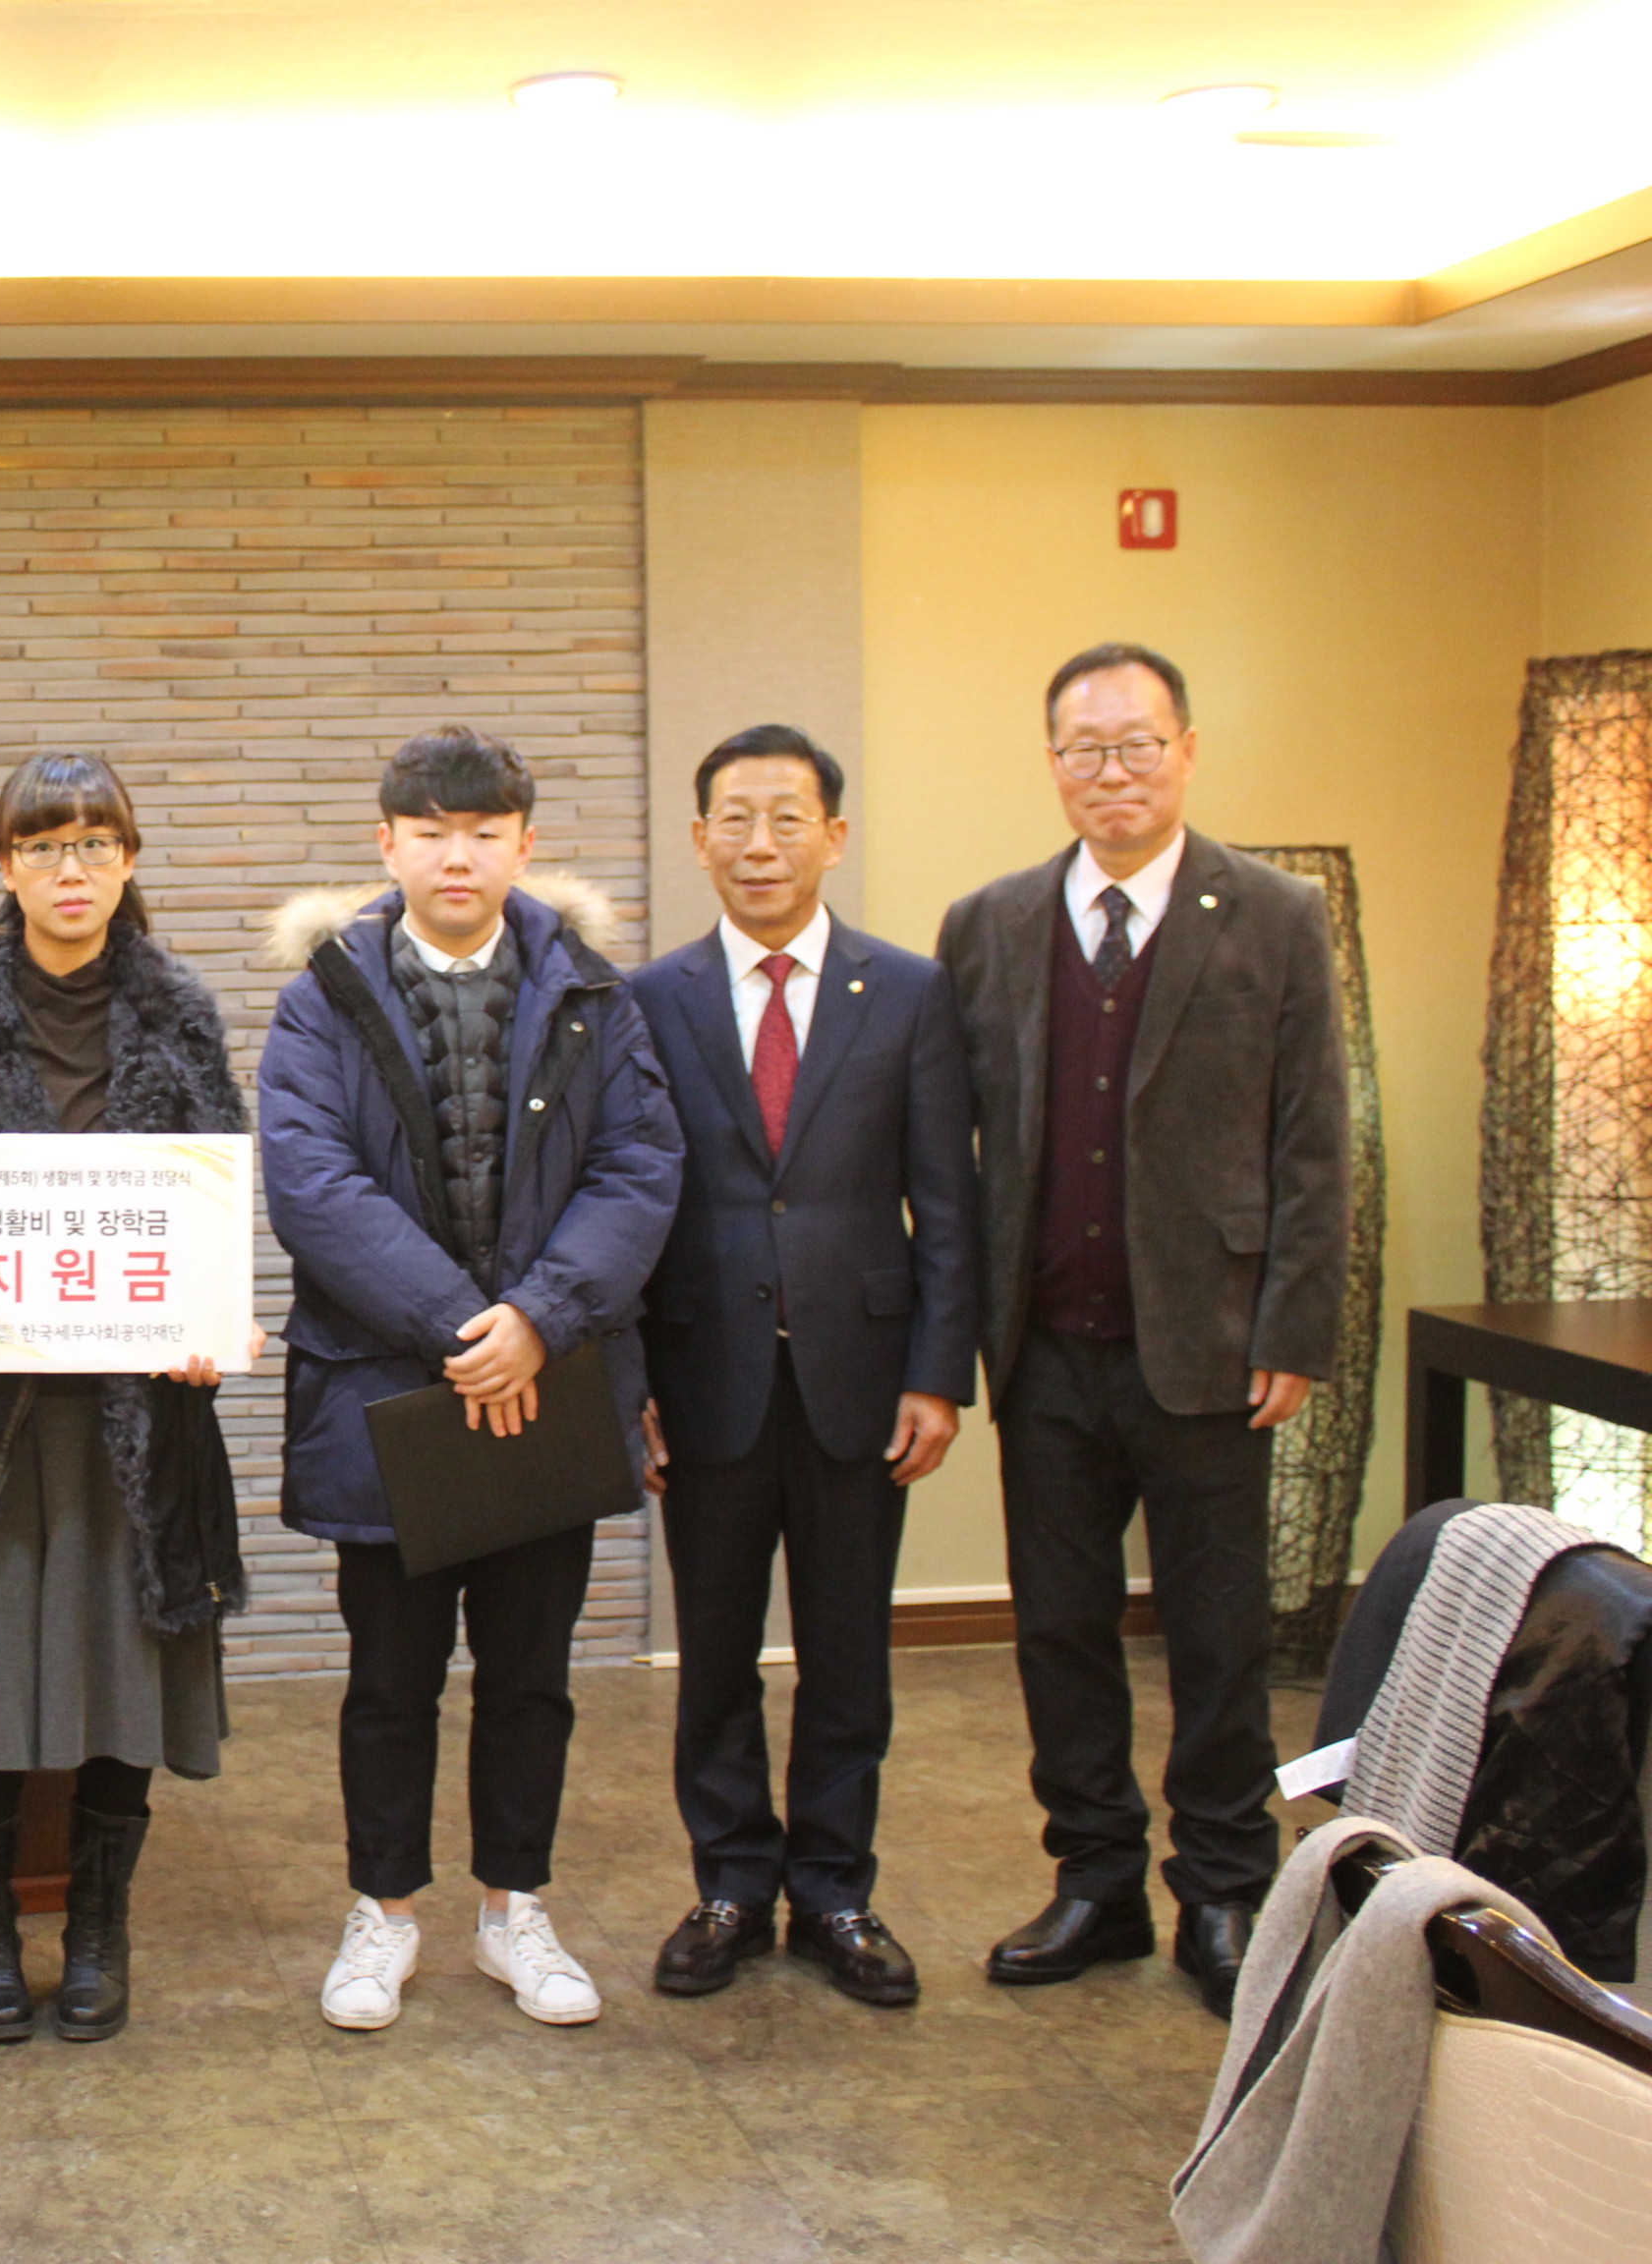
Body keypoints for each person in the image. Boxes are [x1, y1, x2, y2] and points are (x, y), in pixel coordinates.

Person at [938, 642, 1349, 2019]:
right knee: (1059, 1630)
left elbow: (1313, 1139)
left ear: (1186, 750)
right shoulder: (988, 924)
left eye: (1136, 743)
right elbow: (954, 1148)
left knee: (1217, 1638)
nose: (1111, 770)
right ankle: (1096, 1881)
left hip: (1213, 1346)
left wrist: (1296, 1325)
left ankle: (1223, 1891)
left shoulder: (1274, 914)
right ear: (1053, 762)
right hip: (1045, 1345)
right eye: (1085, 748)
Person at [260, 722, 681, 2034]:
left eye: (484, 833)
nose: (458, 856)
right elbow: (311, 1182)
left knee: (531, 1676)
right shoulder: (321, 996)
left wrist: (539, 1322)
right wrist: (468, 1329)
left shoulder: (595, 994)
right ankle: (383, 1912)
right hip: (389, 1392)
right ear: (386, 843)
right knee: (389, 1679)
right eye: (431, 833)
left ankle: (516, 1908)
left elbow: (640, 1170)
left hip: (546, 1387)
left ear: (524, 845)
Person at [0, 750, 252, 2047]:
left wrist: (210, 1317)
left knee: (123, 1670)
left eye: (91, 844)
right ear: (6, 865)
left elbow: (216, 1185)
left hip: (131, 1415)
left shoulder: (182, 1013)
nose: (68, 870)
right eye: (42, 846)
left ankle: (96, 1929)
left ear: (127, 861)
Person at [629, 724, 980, 2007]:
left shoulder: (911, 992)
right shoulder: (650, 1000)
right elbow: (625, 1202)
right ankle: (730, 1883)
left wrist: (937, 1373)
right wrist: (629, 1383)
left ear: (834, 834)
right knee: (715, 1654)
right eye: (735, 818)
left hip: (863, 1378)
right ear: (699, 839)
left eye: (787, 818)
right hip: (703, 1379)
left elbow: (950, 1201)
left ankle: (835, 1890)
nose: (760, 843)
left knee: (847, 1654)